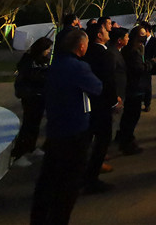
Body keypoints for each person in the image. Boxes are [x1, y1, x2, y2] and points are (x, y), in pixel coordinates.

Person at [30, 30, 101, 225]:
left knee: (48, 180)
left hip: (55, 129)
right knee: (69, 183)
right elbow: (97, 87)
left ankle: (39, 219)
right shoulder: (78, 67)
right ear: (81, 46)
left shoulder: (56, 65)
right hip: (74, 131)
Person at [82, 22, 119, 193]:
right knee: (103, 139)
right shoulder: (104, 54)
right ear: (99, 35)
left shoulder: (87, 52)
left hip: (90, 102)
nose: (108, 31)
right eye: (105, 30)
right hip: (102, 103)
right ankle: (92, 178)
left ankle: (84, 173)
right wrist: (114, 101)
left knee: (89, 138)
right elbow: (108, 80)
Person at [118, 25, 156, 155]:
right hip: (134, 87)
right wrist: (152, 62)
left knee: (129, 115)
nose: (145, 36)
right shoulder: (132, 51)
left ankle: (125, 137)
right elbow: (139, 68)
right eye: (142, 34)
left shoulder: (136, 49)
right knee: (132, 116)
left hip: (136, 86)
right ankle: (127, 142)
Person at [11, 37, 53, 167]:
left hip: (39, 96)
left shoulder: (41, 60)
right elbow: (31, 76)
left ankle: (31, 148)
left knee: (35, 124)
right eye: (47, 49)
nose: (49, 51)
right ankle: (18, 154)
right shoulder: (29, 61)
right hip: (31, 96)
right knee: (29, 124)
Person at [141, 21, 156, 112]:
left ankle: (147, 103)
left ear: (146, 30)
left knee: (147, 86)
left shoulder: (154, 41)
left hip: (149, 66)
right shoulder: (139, 41)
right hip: (140, 65)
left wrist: (151, 62)